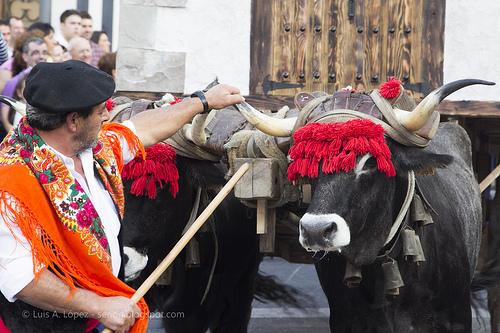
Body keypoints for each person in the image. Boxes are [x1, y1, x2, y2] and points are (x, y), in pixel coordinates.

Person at [0, 60, 243, 333]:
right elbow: (21, 280)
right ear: (73, 121)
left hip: (94, 316)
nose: (107, 116)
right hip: (38, 326)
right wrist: (99, 307)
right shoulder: (9, 180)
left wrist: (202, 101)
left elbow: (141, 129)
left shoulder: (93, 150)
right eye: (100, 111)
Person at [1, 37, 48, 135]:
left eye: (44, 52)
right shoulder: (14, 82)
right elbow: (4, 115)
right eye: (35, 52)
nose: (41, 56)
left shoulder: (51, 77)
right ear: (25, 56)